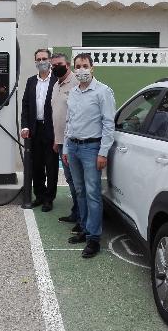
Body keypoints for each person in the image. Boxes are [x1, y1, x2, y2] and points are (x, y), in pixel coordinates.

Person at [62, 53, 115, 259]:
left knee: (93, 193)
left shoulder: (103, 92)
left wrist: (103, 152)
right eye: (78, 66)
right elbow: (69, 122)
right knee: (80, 190)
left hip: (92, 148)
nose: (81, 69)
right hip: (74, 148)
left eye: (85, 65)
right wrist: (66, 149)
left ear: (92, 68)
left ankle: (94, 238)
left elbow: (108, 124)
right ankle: (84, 228)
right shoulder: (74, 92)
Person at [21, 48, 59, 212]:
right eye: (38, 59)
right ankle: (39, 195)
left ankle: (49, 199)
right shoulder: (31, 81)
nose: (41, 61)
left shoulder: (57, 81)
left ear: (50, 60)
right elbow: (25, 105)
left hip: (51, 129)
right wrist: (24, 126)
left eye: (44, 58)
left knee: (51, 166)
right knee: (36, 165)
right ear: (35, 62)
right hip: (34, 129)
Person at [49, 53, 81, 234]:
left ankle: (81, 217)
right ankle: (75, 212)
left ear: (67, 64)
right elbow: (57, 115)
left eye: (59, 64)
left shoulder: (76, 83)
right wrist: (56, 139)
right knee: (70, 179)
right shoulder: (56, 84)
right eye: (53, 65)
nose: (55, 68)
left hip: (73, 142)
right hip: (61, 142)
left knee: (78, 182)